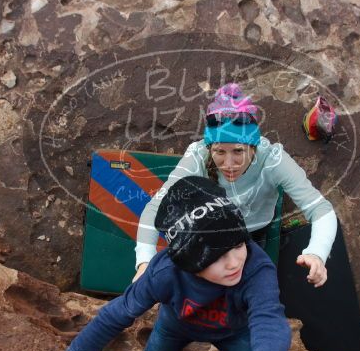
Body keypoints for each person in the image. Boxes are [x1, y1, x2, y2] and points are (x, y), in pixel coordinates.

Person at [31, 176, 293, 351]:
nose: (234, 262)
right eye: (216, 256)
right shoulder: (165, 272)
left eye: (238, 244)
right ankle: (172, 347)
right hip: (176, 325)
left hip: (231, 331)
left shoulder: (255, 267)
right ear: (188, 261)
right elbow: (115, 315)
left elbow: (271, 330)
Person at [133, 82, 337, 288]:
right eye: (220, 152)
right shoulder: (198, 155)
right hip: (209, 230)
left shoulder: (273, 159)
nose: (228, 165)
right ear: (210, 147)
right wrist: (145, 262)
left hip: (253, 232)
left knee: (251, 286)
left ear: (253, 147)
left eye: (238, 151)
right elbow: (156, 207)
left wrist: (317, 252)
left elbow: (320, 208)